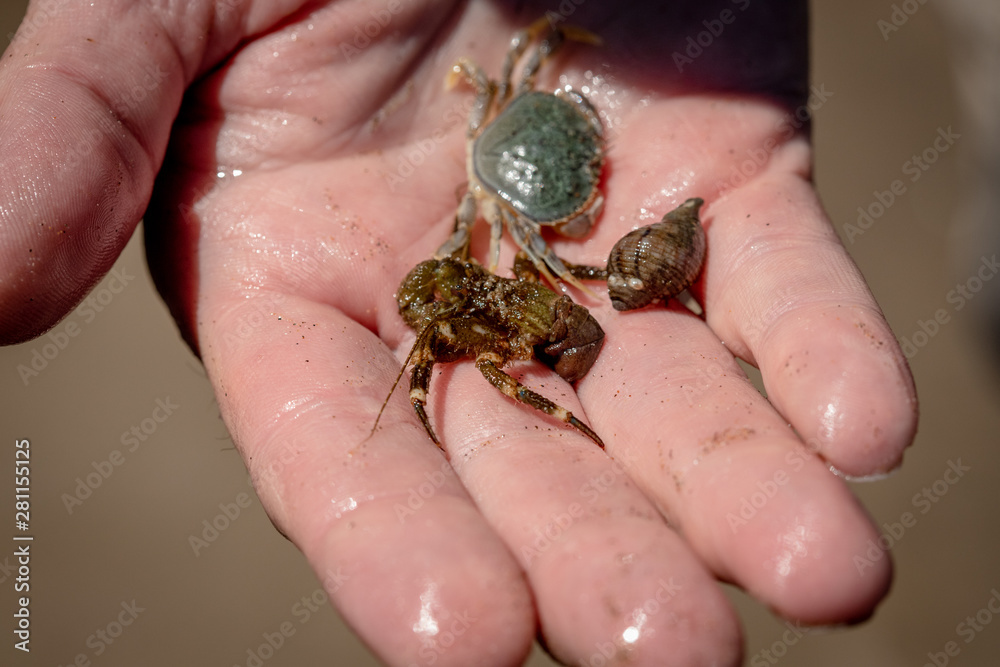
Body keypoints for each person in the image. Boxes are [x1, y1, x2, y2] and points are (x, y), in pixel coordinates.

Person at [0, 1, 918, 665]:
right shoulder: (489, 270)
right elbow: (498, 344)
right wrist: (472, 400)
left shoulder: (506, 251)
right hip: (493, 255)